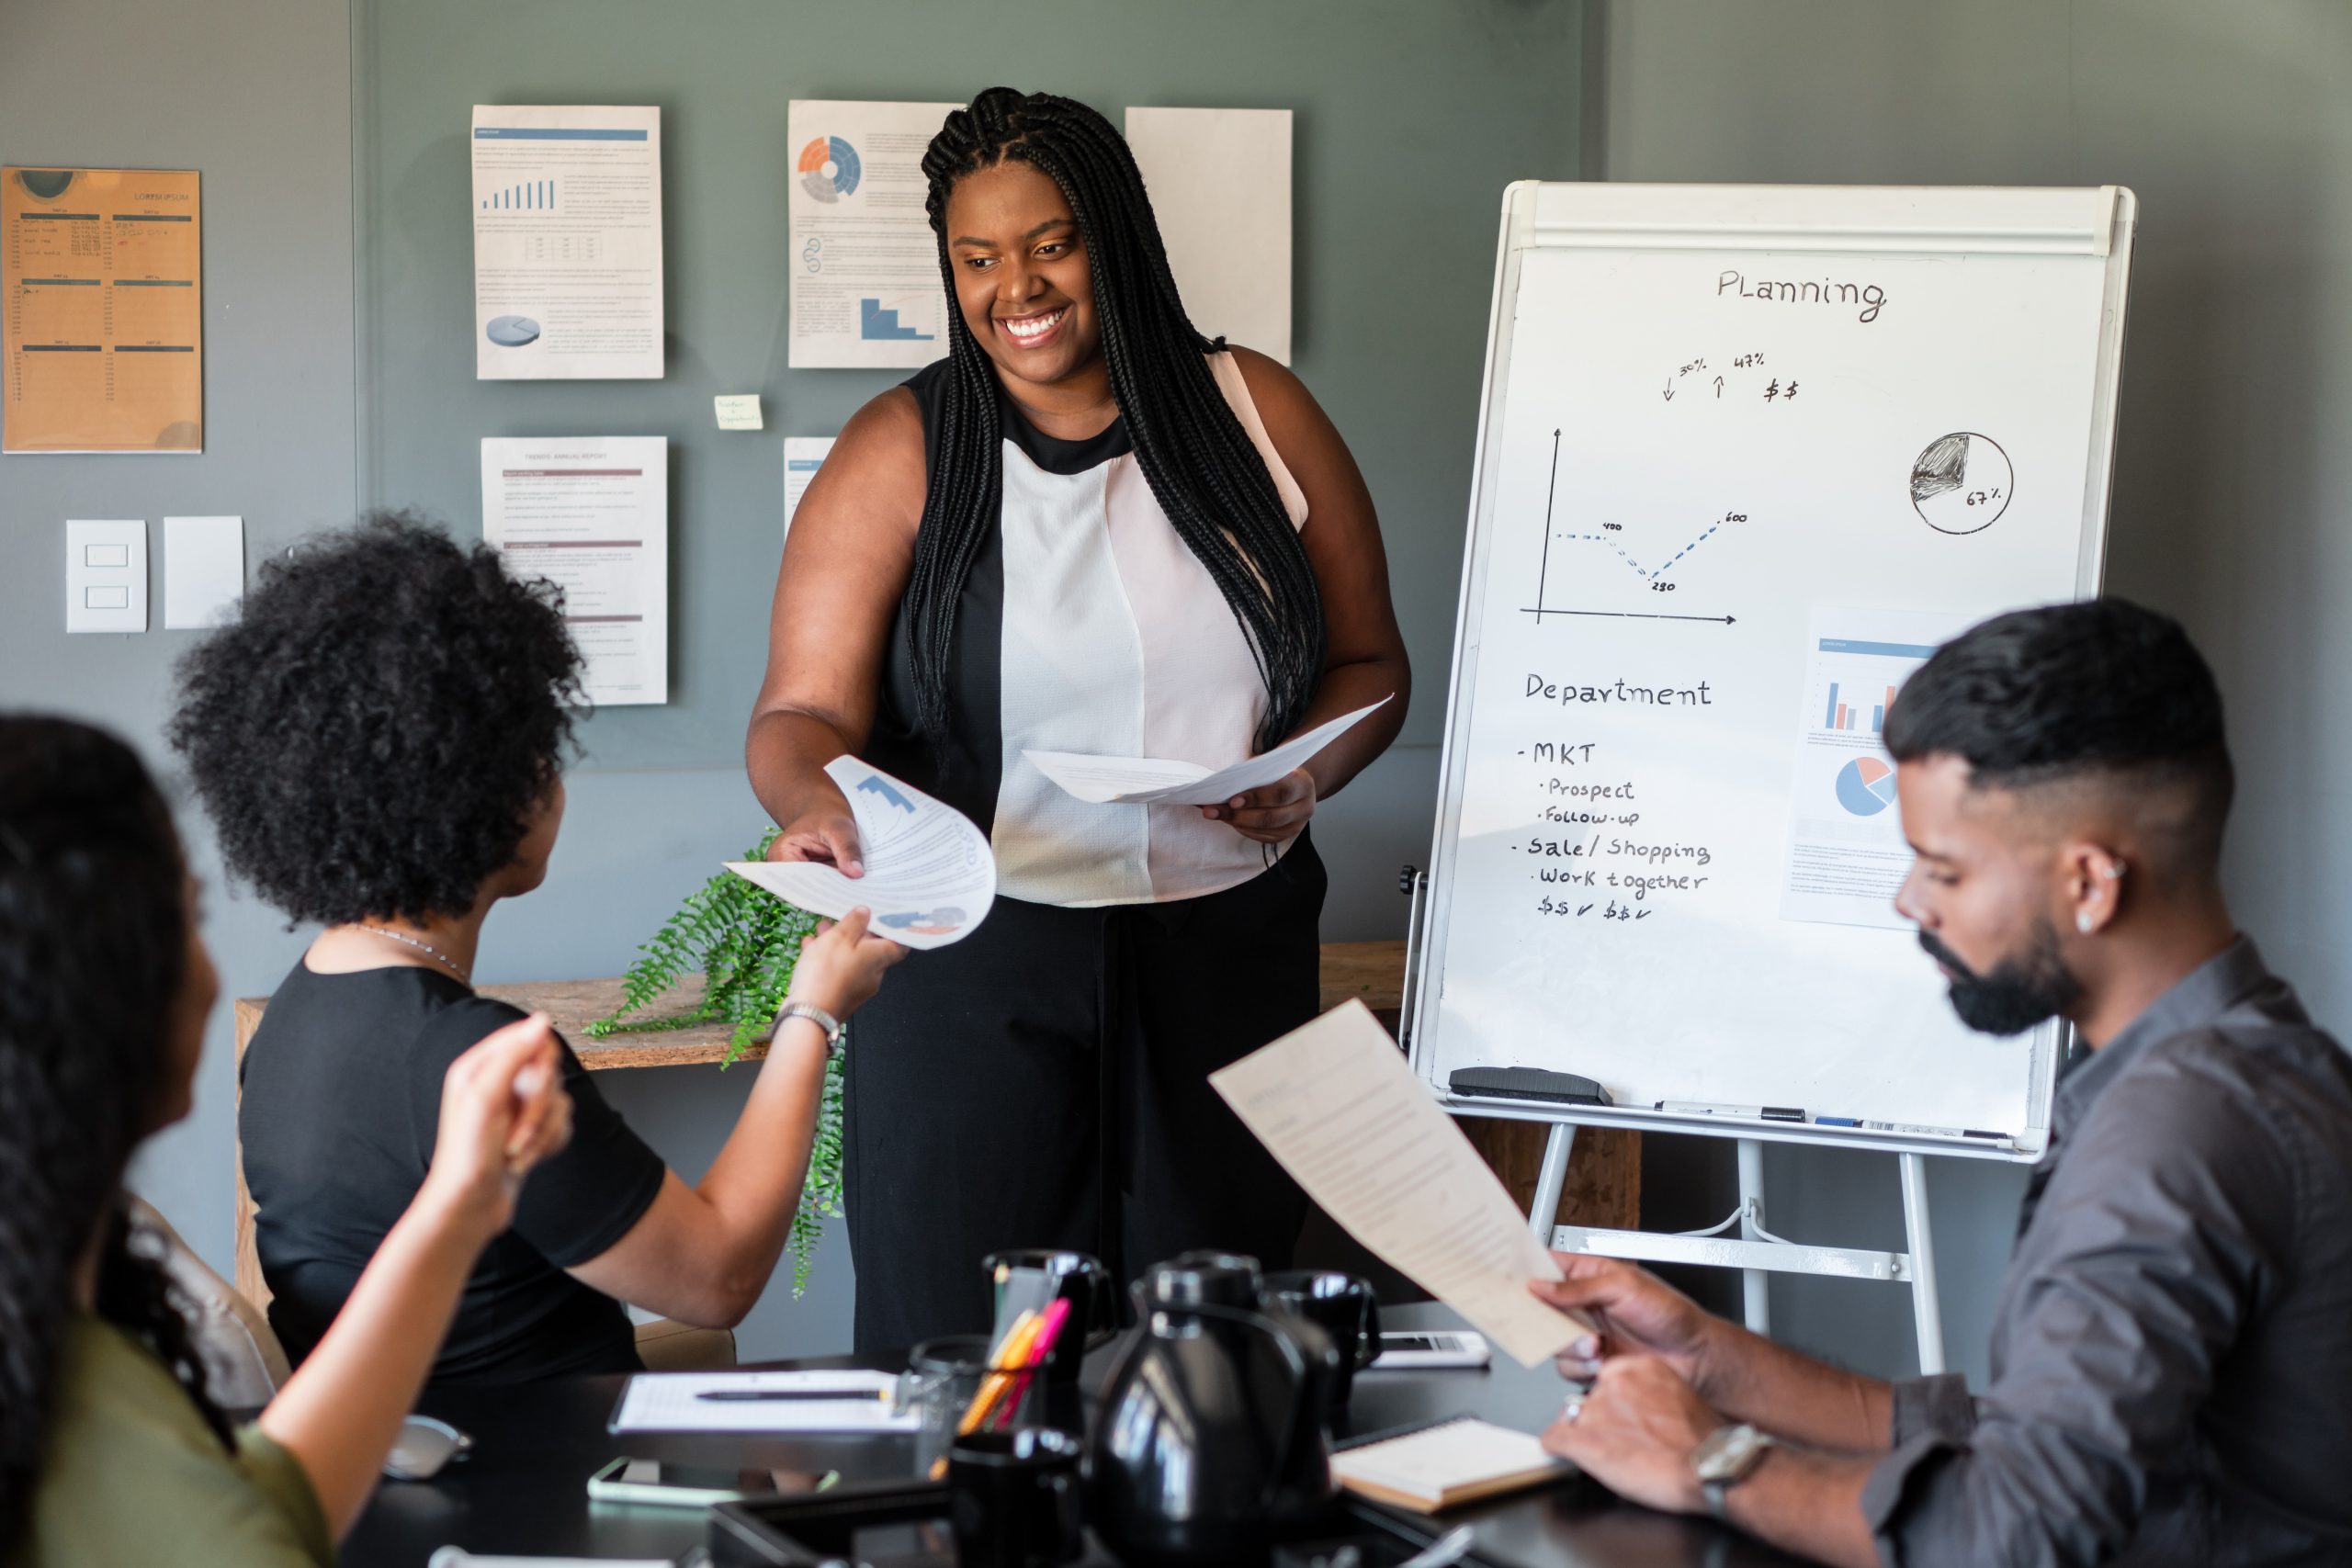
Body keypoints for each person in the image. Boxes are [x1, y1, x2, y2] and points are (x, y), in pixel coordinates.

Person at [747, 87, 1411, 1352]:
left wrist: (1311, 769)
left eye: (1050, 242)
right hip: (970, 969)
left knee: (1212, 1352)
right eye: (978, 257)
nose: (1017, 285)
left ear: (1115, 238)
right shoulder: (905, 445)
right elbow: (796, 711)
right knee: (966, 1352)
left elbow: (1373, 662)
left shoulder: (1259, 411)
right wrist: (822, 804)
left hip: (1226, 956)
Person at [1530, 599, 2352, 1566]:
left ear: (2090, 882)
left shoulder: (2174, 1136)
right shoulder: (2262, 1065)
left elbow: (2009, 1532)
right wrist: (1712, 1359)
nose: (1908, 901)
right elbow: (2036, 1435)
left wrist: (1712, 1461)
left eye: (1944, 871)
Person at [171, 515, 906, 1384]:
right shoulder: (480, 1062)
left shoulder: (293, 1016)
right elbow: (718, 1276)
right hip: (548, 1490)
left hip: (393, 1475)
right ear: (488, 793)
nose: (556, 784)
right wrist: (811, 1013)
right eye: (540, 756)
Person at [0, 714, 574, 1566]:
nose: (210, 972)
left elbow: (273, 1496)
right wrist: (808, 1017)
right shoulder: (78, 1398)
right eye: (188, 917)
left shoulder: (79, 1340)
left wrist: (460, 1206)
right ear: (102, 989)